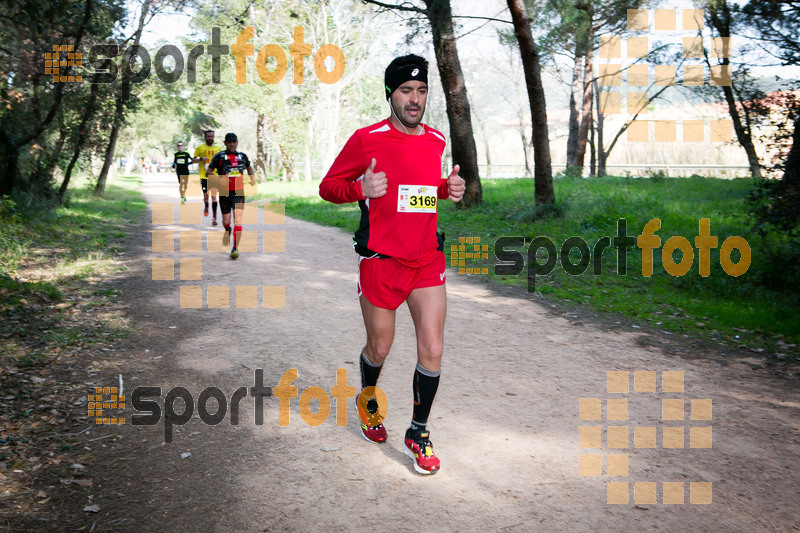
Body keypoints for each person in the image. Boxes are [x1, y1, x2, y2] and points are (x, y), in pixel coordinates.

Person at [319, 54, 465, 475]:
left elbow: (418, 192)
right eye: (405, 91)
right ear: (390, 94)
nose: (414, 99)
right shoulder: (367, 139)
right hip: (381, 263)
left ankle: (418, 432)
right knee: (380, 347)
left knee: (433, 348)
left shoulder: (435, 139)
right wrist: (359, 187)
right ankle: (368, 401)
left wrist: (446, 187)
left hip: (425, 261)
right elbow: (328, 186)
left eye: (421, 91)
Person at [207, 132, 256, 259]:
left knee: (238, 220)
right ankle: (227, 230)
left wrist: (252, 178)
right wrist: (218, 179)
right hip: (224, 193)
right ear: (225, 143)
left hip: (238, 192)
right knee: (226, 221)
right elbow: (208, 172)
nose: (232, 144)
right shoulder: (219, 157)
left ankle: (235, 248)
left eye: (234, 142)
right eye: (229, 142)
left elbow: (249, 167)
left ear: (237, 143)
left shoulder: (242, 156)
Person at [193, 130, 222, 225]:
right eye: (208, 136)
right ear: (205, 137)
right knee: (206, 196)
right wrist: (201, 159)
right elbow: (193, 160)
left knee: (214, 197)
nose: (210, 138)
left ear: (214, 137)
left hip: (214, 176)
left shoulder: (218, 148)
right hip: (204, 176)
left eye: (211, 136)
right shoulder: (200, 148)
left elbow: (222, 161)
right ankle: (206, 205)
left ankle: (214, 218)